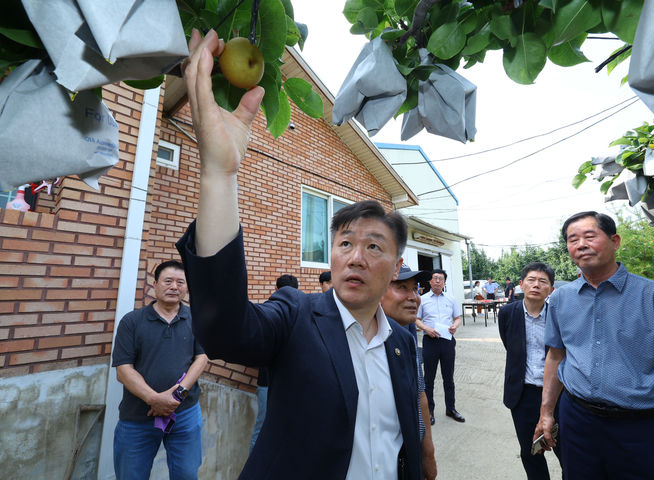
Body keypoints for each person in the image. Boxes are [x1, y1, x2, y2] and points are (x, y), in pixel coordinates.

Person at [176, 29, 422, 479]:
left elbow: (401, 440)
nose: (356, 257)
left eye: (373, 247)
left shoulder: (403, 345)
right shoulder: (295, 316)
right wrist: (219, 174)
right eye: (345, 243)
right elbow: (224, 331)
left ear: (397, 264)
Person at [535, 211, 654, 479]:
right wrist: (546, 413)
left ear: (615, 241)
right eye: (572, 239)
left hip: (648, 430)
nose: (581, 245)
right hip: (579, 423)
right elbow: (556, 356)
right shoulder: (561, 300)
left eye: (590, 236)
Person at [112, 260, 209, 480]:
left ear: (186, 288)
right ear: (155, 285)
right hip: (138, 416)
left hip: (184, 413)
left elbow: (201, 358)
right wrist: (154, 399)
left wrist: (176, 395)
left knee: (186, 474)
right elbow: (123, 369)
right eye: (168, 281)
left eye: (180, 282)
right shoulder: (132, 321)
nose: (174, 286)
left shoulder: (196, 320)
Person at [499, 262, 562, 480]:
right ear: (521, 285)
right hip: (522, 393)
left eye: (543, 281)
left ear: (551, 289)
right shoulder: (507, 313)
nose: (536, 285)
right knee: (530, 452)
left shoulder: (559, 315)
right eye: (531, 280)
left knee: (567, 452)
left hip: (558, 394)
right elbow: (511, 347)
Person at [380, 265, 438, 480]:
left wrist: (428, 454)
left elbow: (419, 394)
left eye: (415, 289)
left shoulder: (406, 339)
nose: (414, 297)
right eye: (402, 287)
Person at [250, 274, 299, 451]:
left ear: (276, 289)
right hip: (292, 383)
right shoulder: (305, 313)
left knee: (262, 428)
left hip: (267, 382)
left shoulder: (265, 310)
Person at [416, 269, 465, 425]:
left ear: (444, 282)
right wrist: (426, 329)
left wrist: (454, 326)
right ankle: (429, 411)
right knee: (428, 379)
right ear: (430, 282)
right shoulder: (422, 299)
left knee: (448, 378)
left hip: (447, 341)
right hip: (430, 342)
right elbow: (415, 319)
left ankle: (451, 408)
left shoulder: (451, 299)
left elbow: (458, 318)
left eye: (441, 279)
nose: (437, 281)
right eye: (435, 278)